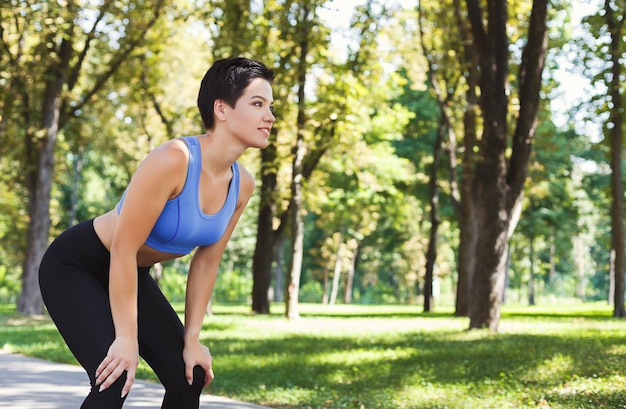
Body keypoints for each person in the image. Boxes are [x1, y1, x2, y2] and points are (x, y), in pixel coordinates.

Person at [38, 57, 275, 409]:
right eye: (258, 104)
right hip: (77, 266)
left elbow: (207, 264)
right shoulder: (174, 160)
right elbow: (122, 249)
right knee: (113, 377)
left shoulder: (242, 185)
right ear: (221, 109)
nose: (269, 116)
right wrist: (126, 338)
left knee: (188, 376)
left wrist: (192, 339)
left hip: (130, 272)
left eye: (271, 106)